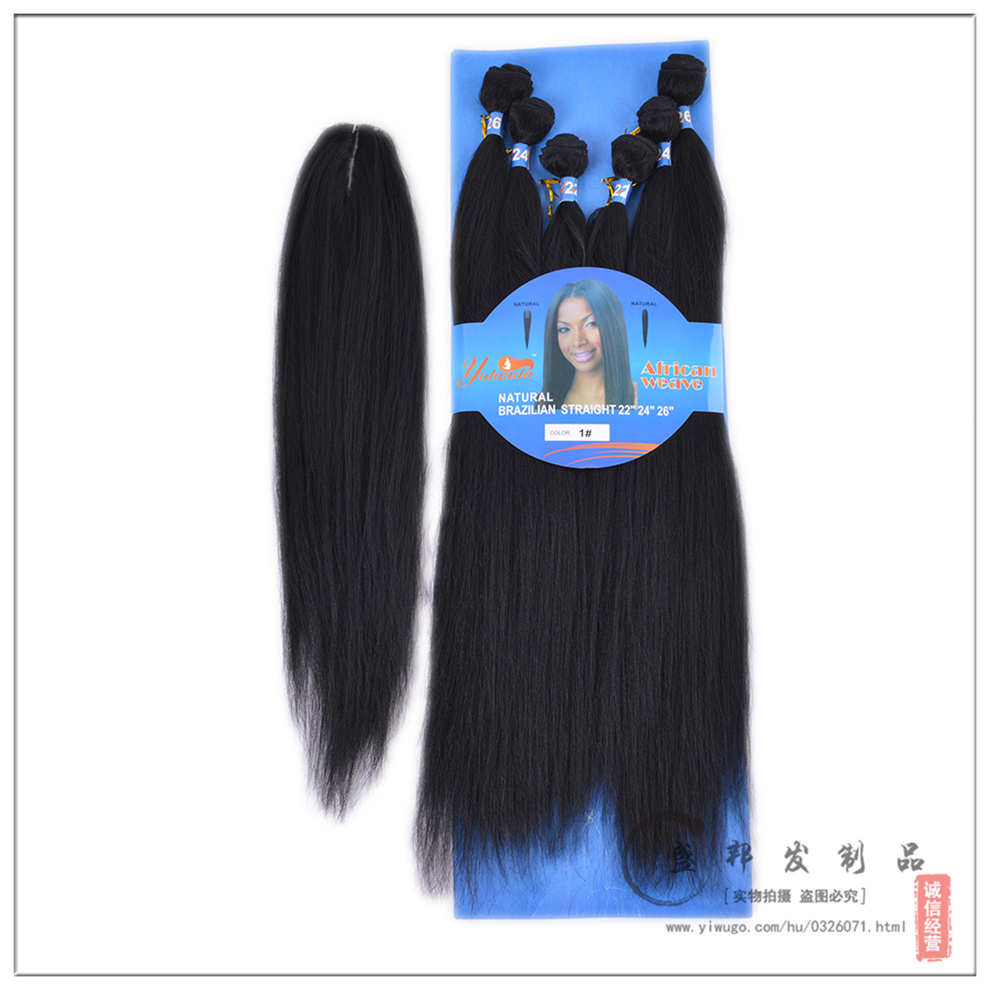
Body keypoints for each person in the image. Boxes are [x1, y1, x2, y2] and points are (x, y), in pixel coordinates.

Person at [542, 278, 637, 410]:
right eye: (564, 329)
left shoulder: (638, 399)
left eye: (591, 324)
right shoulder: (543, 402)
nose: (578, 341)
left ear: (612, 325)